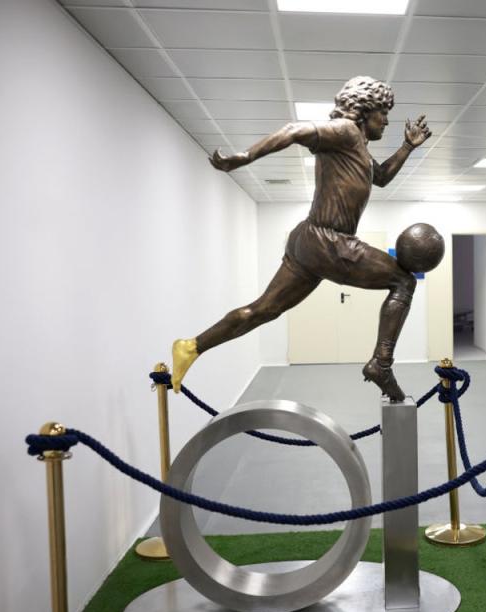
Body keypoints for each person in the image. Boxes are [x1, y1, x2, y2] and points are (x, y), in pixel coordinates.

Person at [171, 76, 432, 402]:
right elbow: (294, 130)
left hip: (306, 242)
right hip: (330, 241)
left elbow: (380, 178)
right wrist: (245, 157)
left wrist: (407, 146)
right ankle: (381, 363)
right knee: (404, 282)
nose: (387, 121)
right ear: (365, 112)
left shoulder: (358, 150)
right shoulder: (347, 132)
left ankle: (191, 347)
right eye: (383, 114)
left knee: (263, 311)